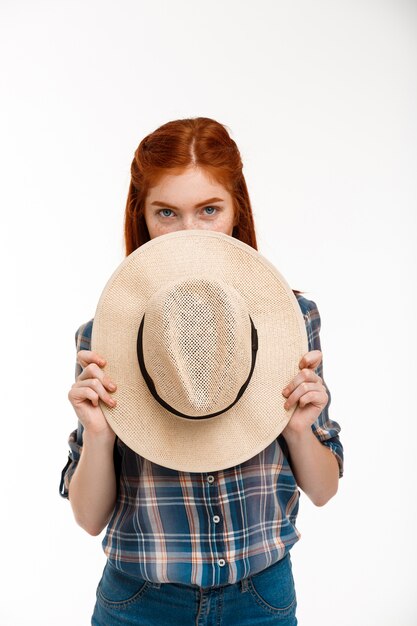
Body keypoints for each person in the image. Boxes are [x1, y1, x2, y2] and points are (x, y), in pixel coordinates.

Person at [60, 116, 344, 626]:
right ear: (141, 216)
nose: (188, 232)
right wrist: (100, 435)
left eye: (208, 209)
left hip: (261, 597)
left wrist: (299, 429)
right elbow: (88, 518)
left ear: (237, 212)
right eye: (166, 212)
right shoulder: (104, 337)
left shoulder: (292, 321)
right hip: (140, 601)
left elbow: (323, 490)